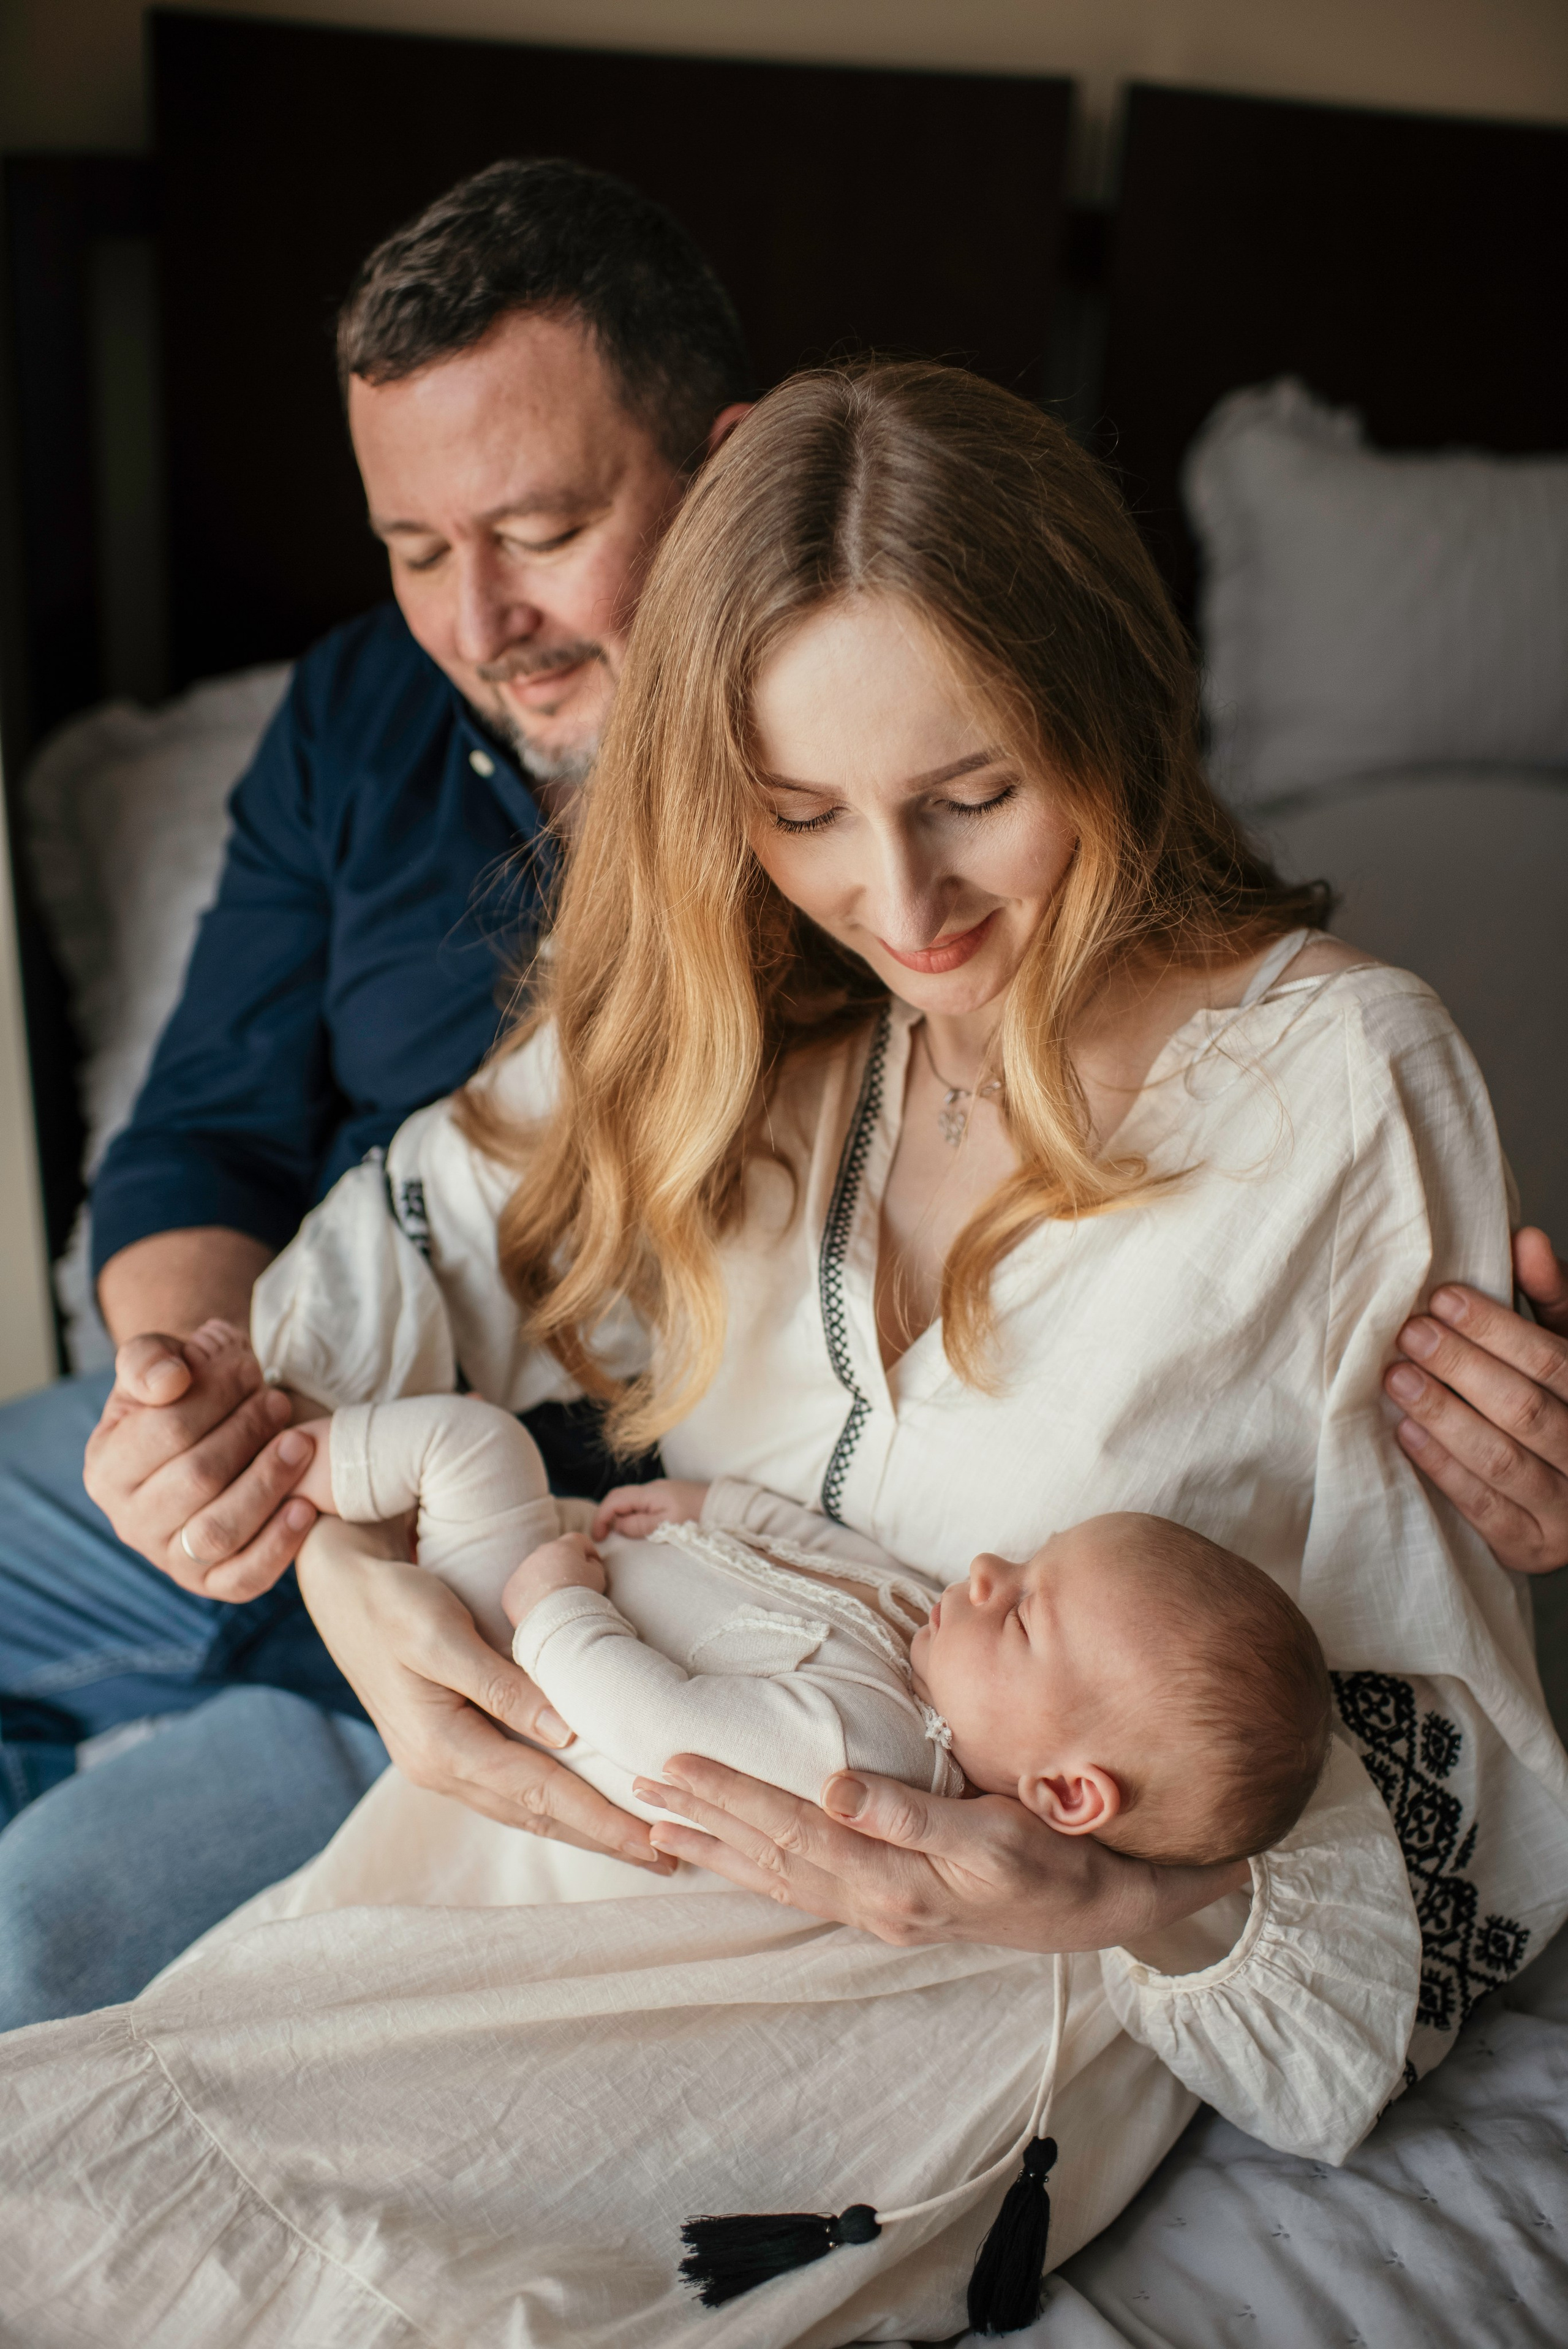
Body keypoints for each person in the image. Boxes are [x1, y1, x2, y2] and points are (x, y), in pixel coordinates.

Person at [6, 361, 1561, 2343]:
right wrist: (336, 1564)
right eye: (804, 811)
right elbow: (315, 1331)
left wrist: (1115, 1899)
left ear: (1106, 712)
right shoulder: (748, 1025)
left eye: (974, 795)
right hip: (512, 1884)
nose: (897, 900)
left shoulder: (1344, 1085)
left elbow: (1462, 1829)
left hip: (881, 2038)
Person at [0, 159, 754, 2023]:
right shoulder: (358, 713)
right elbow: (204, 1132)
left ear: (728, 470)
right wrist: (190, 1406)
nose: (478, 620)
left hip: (517, 1587)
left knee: (31, 1954)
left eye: (541, 527)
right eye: (418, 550)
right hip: (281, 1431)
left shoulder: (869, 760)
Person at [243, 1364, 1333, 1861]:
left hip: (524, 1640)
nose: (991, 1569)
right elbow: (823, 1549)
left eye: (1027, 1618)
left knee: (472, 1444)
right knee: (472, 1443)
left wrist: (559, 1610)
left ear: (1063, 1789)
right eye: (1031, 1563)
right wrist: (711, 1504)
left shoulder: (868, 1749)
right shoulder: (934, 1629)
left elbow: (662, 1726)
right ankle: (297, 1475)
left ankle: (265, 1467)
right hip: (588, 1562)